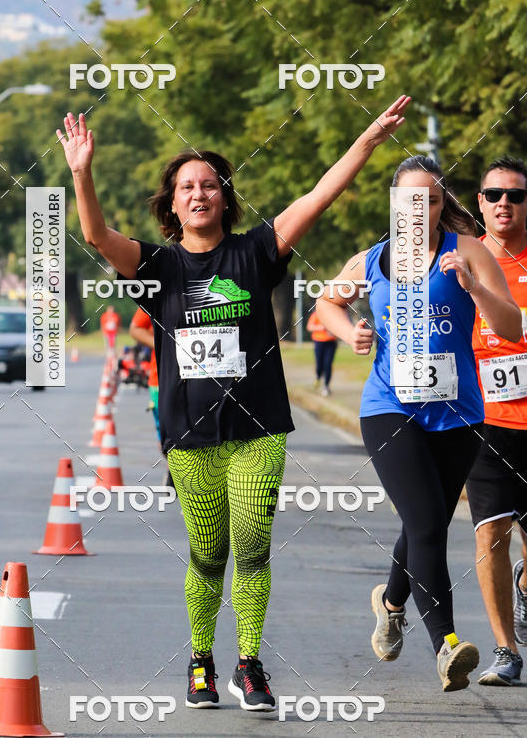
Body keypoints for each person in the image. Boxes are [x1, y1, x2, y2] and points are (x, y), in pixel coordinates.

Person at [58, 96, 410, 712]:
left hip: (259, 429)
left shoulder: (255, 252)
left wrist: (367, 141)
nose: (199, 194)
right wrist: (81, 173)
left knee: (251, 544)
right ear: (172, 205)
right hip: (190, 436)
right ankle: (201, 661)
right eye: (187, 188)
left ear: (224, 197)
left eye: (210, 185)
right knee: (208, 553)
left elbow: (319, 197)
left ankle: (250, 664)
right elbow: (95, 235)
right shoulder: (158, 267)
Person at [317, 154, 521, 691]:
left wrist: (473, 288)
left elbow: (511, 326)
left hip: (458, 414)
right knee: (429, 524)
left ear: (440, 204)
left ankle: (390, 602)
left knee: (421, 523)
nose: (418, 210)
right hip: (389, 408)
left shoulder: (468, 250)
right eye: (409, 201)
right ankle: (446, 645)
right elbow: (325, 304)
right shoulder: (372, 259)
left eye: (429, 201)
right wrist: (350, 332)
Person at [465, 157, 527, 686]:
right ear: (480, 203)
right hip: (483, 421)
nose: (504, 203)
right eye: (494, 195)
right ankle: (506, 650)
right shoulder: (462, 260)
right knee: (491, 533)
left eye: (516, 195)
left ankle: (524, 584)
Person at [129, 306, 174, 488]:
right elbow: (135, 329)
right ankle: (173, 467)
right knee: (166, 433)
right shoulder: (161, 293)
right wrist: (167, 344)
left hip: (200, 379)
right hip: (160, 378)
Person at [307, 309, 337, 395]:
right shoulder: (316, 314)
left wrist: (333, 331)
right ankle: (318, 376)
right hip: (319, 342)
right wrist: (320, 327)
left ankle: (326, 386)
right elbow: (309, 327)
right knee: (319, 364)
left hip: (331, 342)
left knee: (328, 364)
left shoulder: (334, 314)